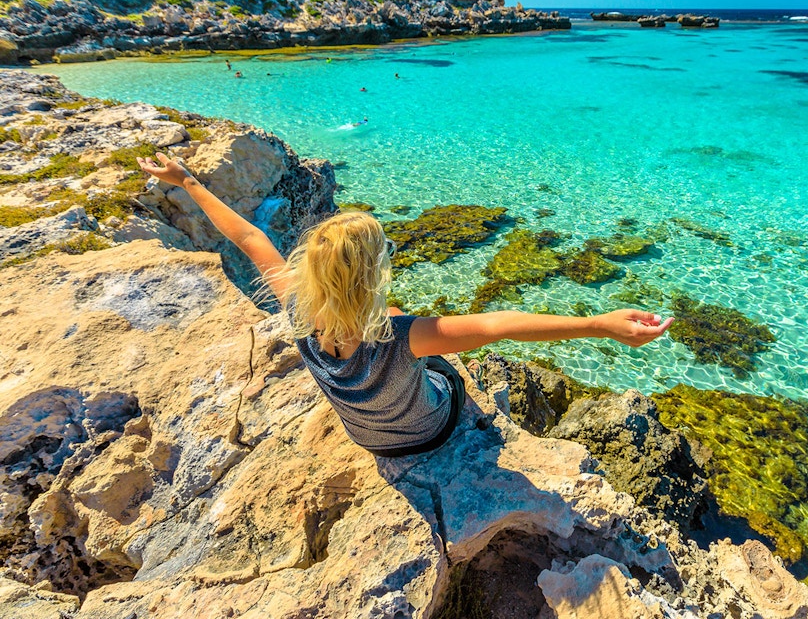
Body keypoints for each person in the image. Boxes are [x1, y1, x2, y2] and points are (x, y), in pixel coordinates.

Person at [135, 152, 674, 457]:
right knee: (444, 367)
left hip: (369, 442)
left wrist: (186, 182)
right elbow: (499, 325)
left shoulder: (295, 305)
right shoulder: (400, 333)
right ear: (373, 272)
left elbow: (249, 237)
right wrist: (598, 323)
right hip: (425, 435)